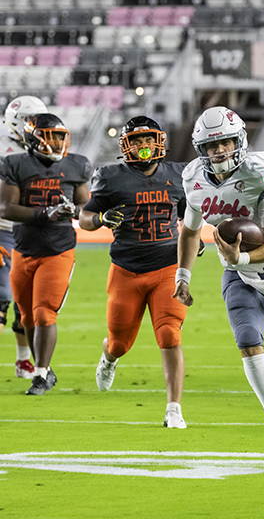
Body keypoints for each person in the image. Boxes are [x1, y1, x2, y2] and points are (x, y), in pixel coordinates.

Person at [173, 106, 264, 462]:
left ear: (240, 140)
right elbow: (189, 231)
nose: (220, 151)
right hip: (240, 278)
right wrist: (183, 276)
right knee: (248, 340)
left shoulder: (261, 174)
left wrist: (241, 257)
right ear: (201, 148)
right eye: (212, 145)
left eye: (227, 142)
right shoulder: (194, 180)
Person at [79, 115, 199, 429]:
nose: (144, 146)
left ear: (159, 141)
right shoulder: (111, 176)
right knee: (119, 342)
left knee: (170, 335)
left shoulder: (179, 173)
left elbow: (190, 217)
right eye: (138, 141)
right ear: (126, 145)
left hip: (167, 268)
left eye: (149, 140)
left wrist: (193, 240)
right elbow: (84, 218)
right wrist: (102, 218)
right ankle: (109, 358)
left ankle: (174, 408)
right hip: (126, 270)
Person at [0, 113, 91, 395]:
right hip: (24, 249)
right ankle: (44, 370)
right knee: (26, 317)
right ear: (32, 138)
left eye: (61, 135)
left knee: (43, 313)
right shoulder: (15, 164)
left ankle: (40, 374)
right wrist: (44, 212)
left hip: (58, 250)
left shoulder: (76, 165)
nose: (57, 141)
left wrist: (71, 211)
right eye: (50, 135)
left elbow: (85, 207)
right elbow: (6, 208)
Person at [0, 95, 48, 379]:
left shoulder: (42, 143)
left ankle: (23, 360)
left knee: (25, 302)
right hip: (4, 229)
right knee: (2, 299)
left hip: (30, 230)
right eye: (31, 122)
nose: (37, 127)